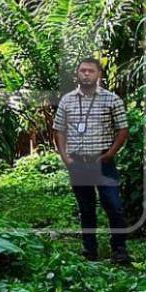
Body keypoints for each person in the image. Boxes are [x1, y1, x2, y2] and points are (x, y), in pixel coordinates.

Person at [52, 57, 130, 262]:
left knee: (113, 204)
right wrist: (65, 157)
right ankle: (90, 250)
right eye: (82, 71)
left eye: (90, 71)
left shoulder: (111, 99)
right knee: (86, 207)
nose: (86, 74)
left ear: (99, 74)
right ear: (77, 74)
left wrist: (110, 154)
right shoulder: (67, 100)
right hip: (78, 162)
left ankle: (119, 249)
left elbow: (122, 129)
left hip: (103, 161)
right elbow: (58, 130)